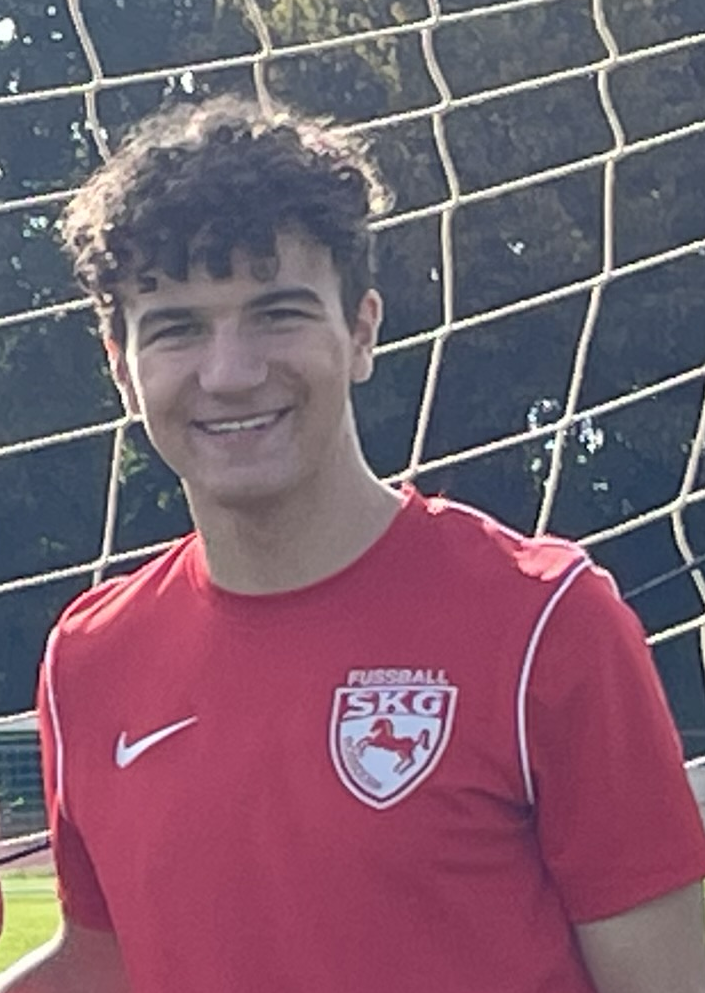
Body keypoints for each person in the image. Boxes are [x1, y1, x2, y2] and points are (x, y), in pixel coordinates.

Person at [1, 94, 705, 993]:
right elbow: (105, 962)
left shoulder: (543, 622)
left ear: (362, 331)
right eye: (177, 327)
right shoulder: (90, 658)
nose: (231, 372)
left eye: (277, 313)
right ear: (121, 367)